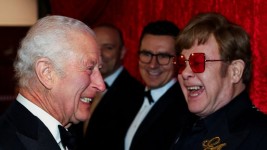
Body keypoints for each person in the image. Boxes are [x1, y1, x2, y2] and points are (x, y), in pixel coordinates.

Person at [0, 15, 105, 150]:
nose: (101, 85)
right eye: (90, 68)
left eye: (99, 69)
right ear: (47, 73)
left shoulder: (68, 134)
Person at [171, 12, 267, 150]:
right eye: (181, 63)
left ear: (235, 71)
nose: (185, 73)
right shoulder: (180, 128)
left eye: (197, 62)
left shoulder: (261, 136)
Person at [124, 20, 196, 150]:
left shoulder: (186, 109)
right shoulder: (128, 97)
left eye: (163, 56)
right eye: (147, 54)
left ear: (177, 60)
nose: (152, 65)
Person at [75, 23, 144, 149]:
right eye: (94, 47)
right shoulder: (76, 85)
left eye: (108, 48)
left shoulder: (136, 94)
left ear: (122, 52)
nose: (99, 54)